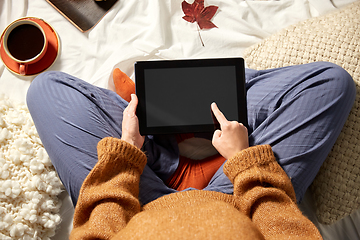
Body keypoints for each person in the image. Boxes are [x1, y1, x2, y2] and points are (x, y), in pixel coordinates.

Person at [26, 61, 355, 239]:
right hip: (237, 203)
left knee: (45, 89)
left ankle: (169, 144)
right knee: (329, 84)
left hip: (139, 207)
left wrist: (125, 156)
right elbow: (284, 228)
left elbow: (98, 227)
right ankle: (199, 124)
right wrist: (243, 161)